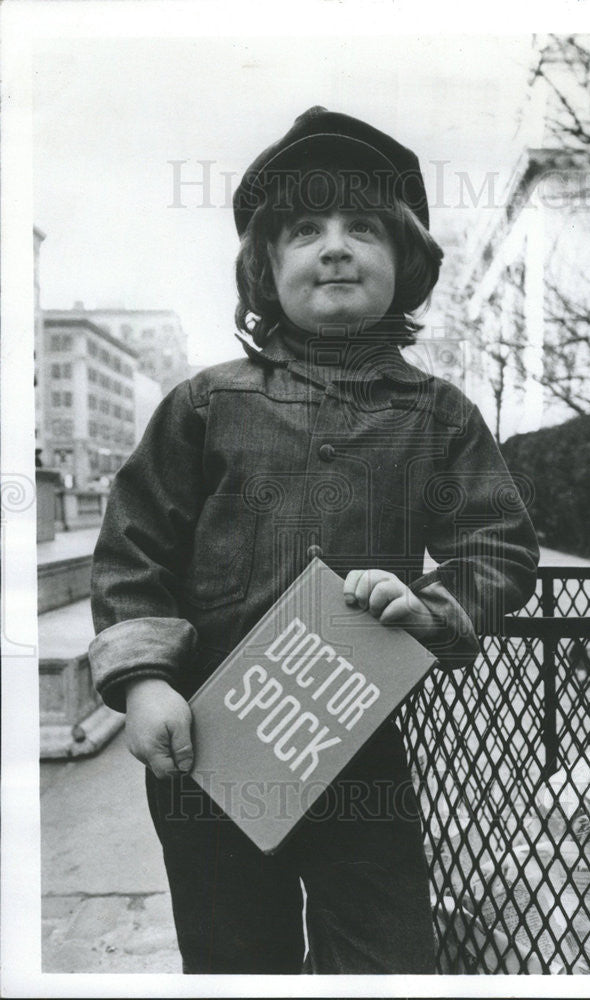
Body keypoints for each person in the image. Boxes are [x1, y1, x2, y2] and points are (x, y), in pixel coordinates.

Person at [89, 106, 539, 975]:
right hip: (204, 754)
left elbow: (500, 546)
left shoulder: (438, 415)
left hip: (361, 754)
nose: (336, 247)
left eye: (362, 228)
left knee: (383, 955)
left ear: (406, 262)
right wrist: (144, 682)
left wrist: (433, 607)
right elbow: (133, 553)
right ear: (264, 268)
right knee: (234, 960)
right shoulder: (203, 406)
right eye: (306, 230)